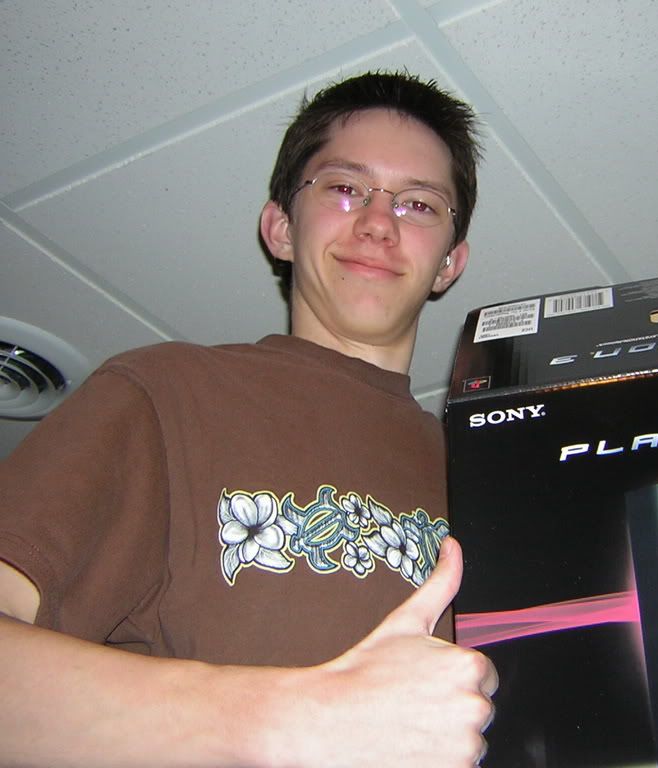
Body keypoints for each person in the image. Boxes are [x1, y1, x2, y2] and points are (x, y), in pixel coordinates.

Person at [0, 71, 497, 767]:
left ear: (450, 263)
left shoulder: (489, 472)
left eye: (418, 204)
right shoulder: (164, 393)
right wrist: (293, 721)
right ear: (280, 229)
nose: (379, 223)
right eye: (345, 188)